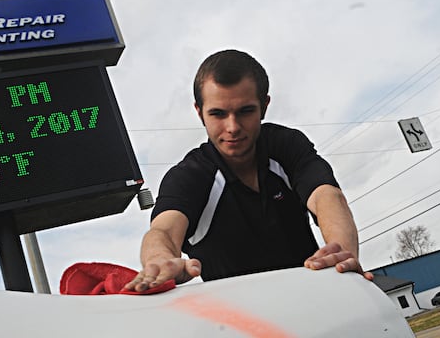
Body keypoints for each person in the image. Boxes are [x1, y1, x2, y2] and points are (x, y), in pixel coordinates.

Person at [125, 49, 373, 292]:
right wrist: (158, 260)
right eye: (218, 114)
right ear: (199, 112)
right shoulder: (189, 176)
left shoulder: (286, 145)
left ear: (264, 106)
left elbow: (327, 197)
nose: (232, 127)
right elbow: (163, 231)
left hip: (315, 302)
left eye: (245, 111)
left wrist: (342, 252)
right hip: (238, 325)